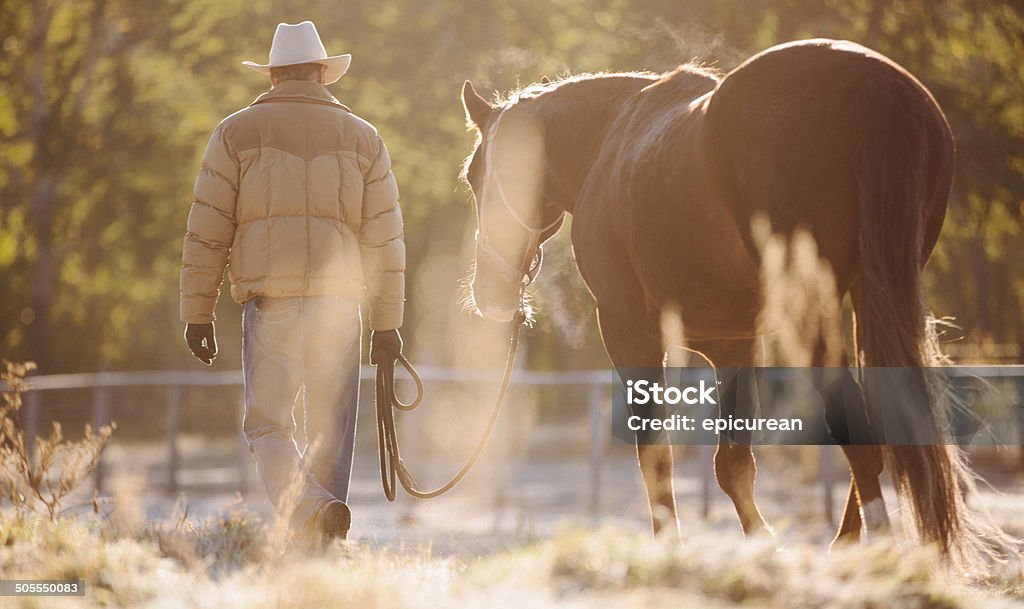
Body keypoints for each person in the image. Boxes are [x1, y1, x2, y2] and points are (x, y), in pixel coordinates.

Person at [178, 21, 406, 543]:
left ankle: (310, 512)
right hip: (339, 308)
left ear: (274, 75)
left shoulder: (235, 133)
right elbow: (386, 244)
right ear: (323, 73)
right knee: (333, 425)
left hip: (271, 302)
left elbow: (207, 232)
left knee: (266, 425)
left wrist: (197, 312)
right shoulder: (365, 138)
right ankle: (322, 531)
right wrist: (387, 326)